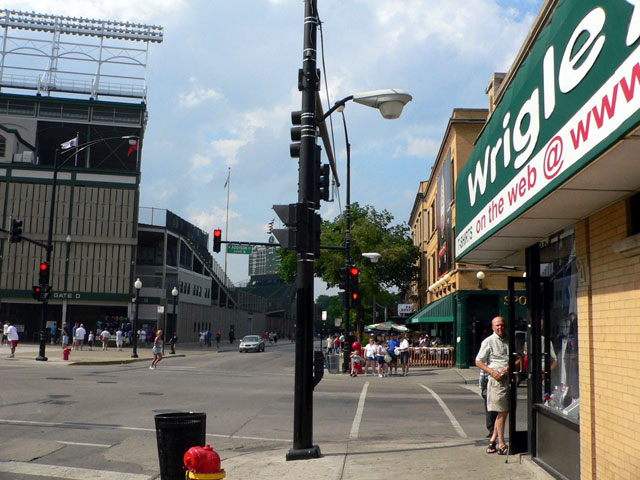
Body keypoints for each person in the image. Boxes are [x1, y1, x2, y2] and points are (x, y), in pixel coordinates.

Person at [476, 316, 513, 455]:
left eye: (502, 325)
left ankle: (492, 441)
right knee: (502, 411)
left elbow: (519, 358)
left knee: (504, 411)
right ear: (493, 327)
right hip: (497, 382)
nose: (500, 327)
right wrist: (493, 372)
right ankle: (501, 443)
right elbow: (478, 361)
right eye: (497, 325)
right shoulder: (488, 342)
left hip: (510, 380)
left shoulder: (510, 341)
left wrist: (510, 366)